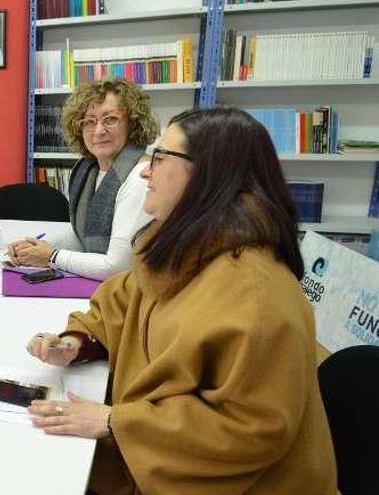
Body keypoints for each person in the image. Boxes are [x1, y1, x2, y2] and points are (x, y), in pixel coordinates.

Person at [25, 107, 337, 494]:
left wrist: (113, 422)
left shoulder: (255, 293)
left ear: (209, 174)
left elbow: (247, 432)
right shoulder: (184, 245)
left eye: (159, 158)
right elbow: (122, 302)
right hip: (159, 454)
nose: (144, 171)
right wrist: (77, 342)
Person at [7, 78, 156, 281]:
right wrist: (32, 247)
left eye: (110, 119)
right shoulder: (88, 170)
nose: (98, 131)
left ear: (133, 123)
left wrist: (51, 256)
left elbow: (117, 267)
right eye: (89, 121)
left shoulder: (140, 177)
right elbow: (82, 236)